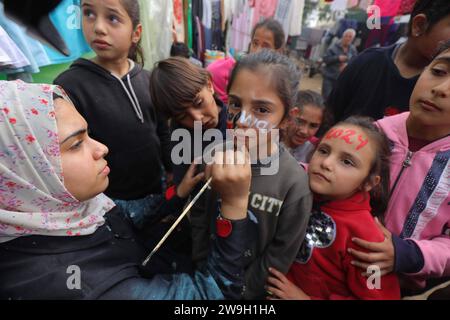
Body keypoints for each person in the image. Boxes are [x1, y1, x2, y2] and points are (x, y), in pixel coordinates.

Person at [0, 80, 251, 300]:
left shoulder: (61, 211)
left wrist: (179, 192)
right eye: (76, 144)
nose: (101, 148)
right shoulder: (80, 285)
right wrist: (234, 203)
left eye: (88, 135)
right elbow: (215, 295)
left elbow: (127, 213)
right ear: (22, 168)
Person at [189, 50, 313, 299]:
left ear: (288, 118)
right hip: (203, 283)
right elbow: (199, 216)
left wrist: (241, 292)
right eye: (236, 103)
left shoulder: (294, 184)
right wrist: (203, 266)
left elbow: (279, 255)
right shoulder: (214, 156)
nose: (243, 120)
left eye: (262, 109)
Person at [54, 0, 172, 227]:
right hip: (109, 202)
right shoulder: (70, 85)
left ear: (136, 33)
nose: (98, 27)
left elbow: (161, 130)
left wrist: (170, 170)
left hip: (155, 190)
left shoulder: (148, 79)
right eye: (89, 13)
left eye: (112, 18)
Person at [347, 40, 450, 296]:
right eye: (438, 72)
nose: (441, 89)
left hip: (400, 287)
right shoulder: (373, 133)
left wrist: (406, 253)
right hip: (336, 265)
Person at [266, 117, 401, 300]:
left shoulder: (367, 239)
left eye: (347, 162)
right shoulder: (294, 190)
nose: (326, 163)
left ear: (369, 182)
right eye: (323, 151)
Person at [327, 0, 450, 122]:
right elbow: (330, 115)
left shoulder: (444, 91)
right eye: (438, 72)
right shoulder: (367, 61)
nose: (442, 89)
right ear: (419, 25)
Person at [207, 18, 286, 104]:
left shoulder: (277, 83)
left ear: (278, 51)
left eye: (266, 46)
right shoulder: (233, 69)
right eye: (255, 43)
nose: (257, 50)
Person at [283, 90, 328, 163]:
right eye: (299, 121)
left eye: (313, 125)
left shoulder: (315, 151)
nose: (304, 131)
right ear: (290, 114)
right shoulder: (269, 141)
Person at [321, 28, 358, 100]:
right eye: (346, 36)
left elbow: (356, 62)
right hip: (329, 77)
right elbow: (325, 59)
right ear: (343, 36)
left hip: (342, 79)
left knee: (336, 100)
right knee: (326, 98)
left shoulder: (353, 49)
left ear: (352, 39)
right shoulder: (333, 47)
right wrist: (337, 58)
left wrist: (348, 65)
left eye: (350, 37)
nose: (347, 38)